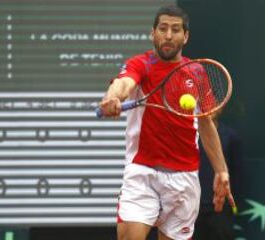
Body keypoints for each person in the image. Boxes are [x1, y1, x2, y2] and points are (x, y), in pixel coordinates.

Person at [100, 5, 236, 240]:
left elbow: (205, 124)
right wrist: (112, 98)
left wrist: (221, 170)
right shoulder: (140, 64)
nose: (169, 35)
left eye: (175, 29)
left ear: (186, 36)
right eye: (163, 29)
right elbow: (124, 84)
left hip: (184, 179)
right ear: (153, 33)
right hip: (142, 172)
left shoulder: (197, 72)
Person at [194, 110, 243, 240]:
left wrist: (231, 203)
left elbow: (237, 173)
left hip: (219, 208)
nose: (207, 107)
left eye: (212, 102)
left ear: (220, 107)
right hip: (189, 205)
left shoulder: (231, 137)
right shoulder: (187, 135)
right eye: (203, 103)